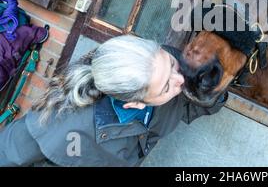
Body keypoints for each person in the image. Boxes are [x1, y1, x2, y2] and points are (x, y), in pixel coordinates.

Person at [0, 35, 227, 166]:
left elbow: (188, 107)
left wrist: (215, 86)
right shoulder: (60, 128)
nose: (181, 80)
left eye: (171, 64)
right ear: (136, 104)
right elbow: (6, 155)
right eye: (167, 86)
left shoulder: (162, 65)